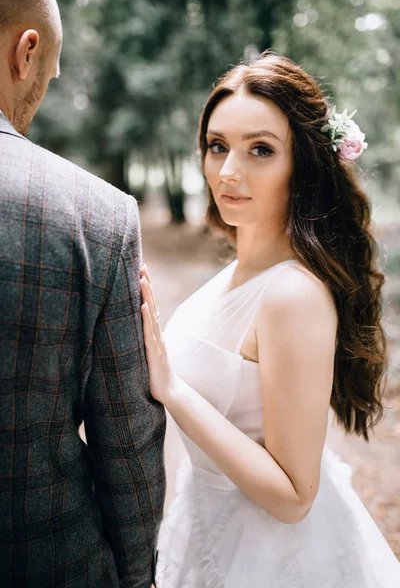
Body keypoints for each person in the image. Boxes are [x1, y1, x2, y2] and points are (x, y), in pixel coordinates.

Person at [139, 52, 400, 586]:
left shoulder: (292, 295)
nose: (229, 171)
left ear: (301, 163)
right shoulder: (236, 273)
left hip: (271, 559)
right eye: (217, 147)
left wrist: (174, 390)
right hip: (201, 528)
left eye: (261, 149)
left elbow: (295, 497)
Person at [0, 0, 165, 586]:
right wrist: (137, 576)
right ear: (26, 52)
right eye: (48, 73)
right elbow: (128, 445)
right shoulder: (94, 216)